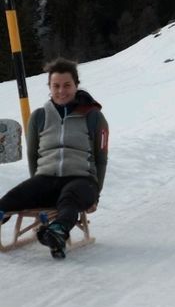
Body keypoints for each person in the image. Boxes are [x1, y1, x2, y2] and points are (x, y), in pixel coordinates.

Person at [0, 57, 109, 257]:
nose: (61, 91)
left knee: (69, 199)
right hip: (46, 178)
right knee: (12, 198)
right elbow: (33, 155)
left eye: (67, 85)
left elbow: (101, 159)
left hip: (82, 180)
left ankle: (57, 232)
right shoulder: (39, 117)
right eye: (56, 85)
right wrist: (36, 183)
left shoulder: (93, 116)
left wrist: (96, 195)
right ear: (49, 87)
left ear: (76, 85)